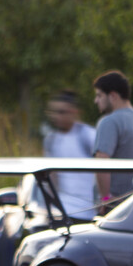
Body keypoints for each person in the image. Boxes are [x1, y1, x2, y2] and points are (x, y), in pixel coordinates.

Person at [91, 70, 133, 208]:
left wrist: (105, 198)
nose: (96, 101)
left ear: (113, 96)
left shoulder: (108, 121)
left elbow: (102, 161)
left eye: (99, 95)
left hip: (116, 206)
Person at [43, 91, 96, 219]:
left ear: (74, 112)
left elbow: (103, 170)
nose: (56, 116)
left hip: (88, 211)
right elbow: (51, 176)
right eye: (53, 112)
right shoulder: (51, 139)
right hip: (61, 212)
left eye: (62, 112)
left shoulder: (88, 135)